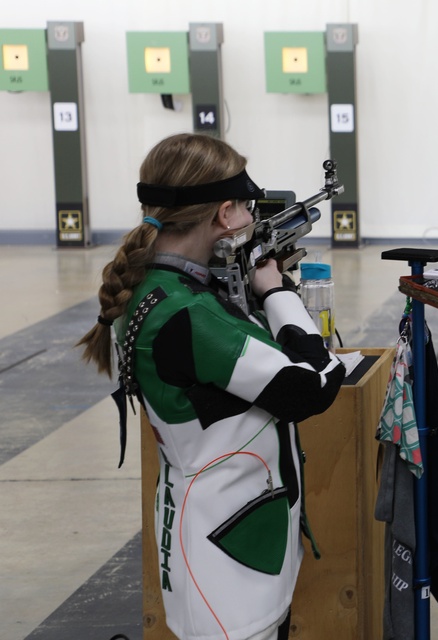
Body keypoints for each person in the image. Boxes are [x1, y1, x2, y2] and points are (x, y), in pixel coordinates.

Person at [78, 133, 347, 640]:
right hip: (229, 559)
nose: (250, 220)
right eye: (247, 209)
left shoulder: (159, 290)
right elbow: (315, 385)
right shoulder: (188, 314)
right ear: (224, 214)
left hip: (219, 532)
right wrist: (275, 291)